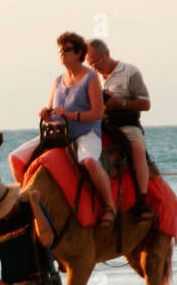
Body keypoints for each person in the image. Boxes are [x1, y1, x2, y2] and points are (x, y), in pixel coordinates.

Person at [8, 32, 116, 228]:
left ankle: (109, 205)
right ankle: (30, 203)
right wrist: (46, 114)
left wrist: (70, 114)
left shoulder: (90, 78)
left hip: (85, 133)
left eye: (66, 50)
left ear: (79, 53)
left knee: (89, 161)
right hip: (58, 135)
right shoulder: (57, 81)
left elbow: (98, 113)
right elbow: (52, 110)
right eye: (60, 49)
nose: (62, 53)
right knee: (15, 158)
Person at [86, 38, 153, 217]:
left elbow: (146, 104)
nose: (94, 67)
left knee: (137, 148)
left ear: (106, 54)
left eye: (96, 62)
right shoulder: (92, 78)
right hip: (101, 124)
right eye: (90, 64)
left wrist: (120, 103)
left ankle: (142, 199)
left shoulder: (130, 72)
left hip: (126, 123)